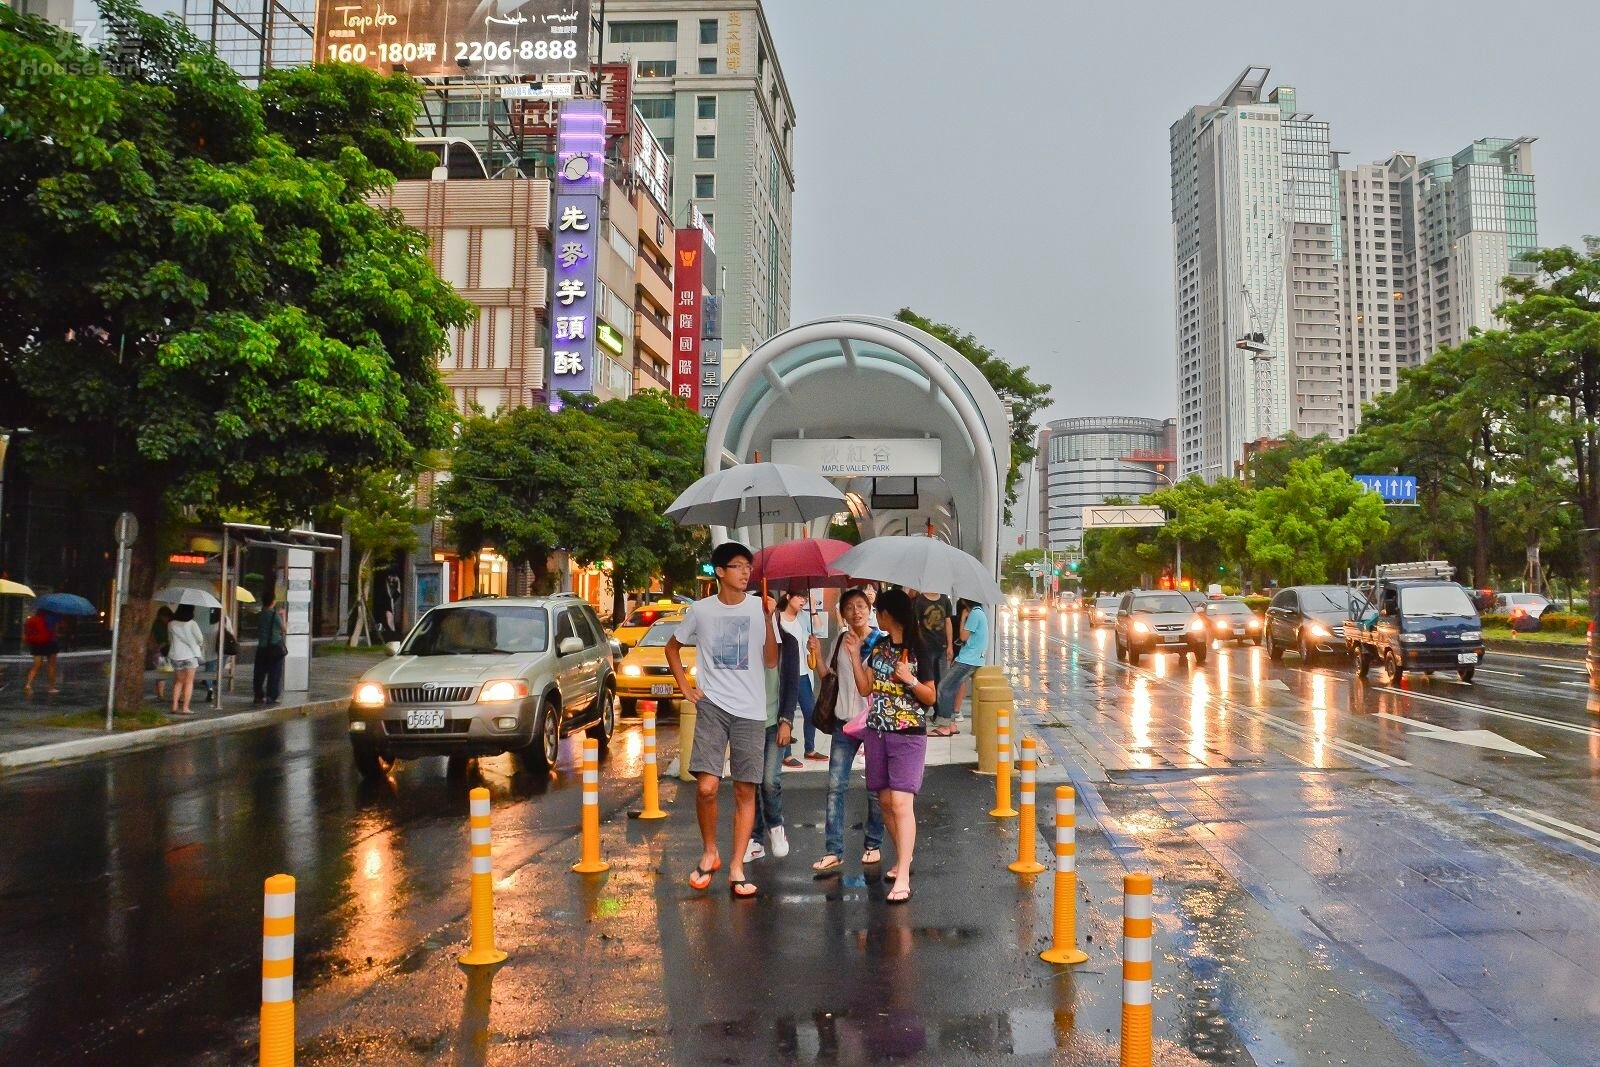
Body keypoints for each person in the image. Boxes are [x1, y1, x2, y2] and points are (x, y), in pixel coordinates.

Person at [666, 541, 779, 899]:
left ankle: (736, 867)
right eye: (738, 566)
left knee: (746, 789)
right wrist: (685, 685)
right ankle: (710, 852)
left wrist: (768, 619)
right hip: (713, 705)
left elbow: (772, 661)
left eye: (749, 566)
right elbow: (672, 647)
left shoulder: (758, 607)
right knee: (706, 787)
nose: (746, 572)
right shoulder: (701, 611)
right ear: (720, 572)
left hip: (750, 709)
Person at [846, 588, 936, 904]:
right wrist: (856, 656)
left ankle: (904, 877)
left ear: (886, 614)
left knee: (900, 802)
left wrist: (909, 680)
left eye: (876, 612)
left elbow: (930, 698)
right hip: (878, 733)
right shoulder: (881, 646)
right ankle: (903, 857)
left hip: (909, 733)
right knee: (884, 802)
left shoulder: (918, 649)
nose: (874, 617)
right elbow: (865, 686)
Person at [810, 586, 886, 875]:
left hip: (871, 722)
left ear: (869, 609)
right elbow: (828, 677)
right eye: (849, 607)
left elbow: (874, 685)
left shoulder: (880, 642)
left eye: (860, 605)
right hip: (843, 722)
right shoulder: (841, 639)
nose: (855, 611)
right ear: (842, 613)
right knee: (835, 786)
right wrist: (816, 654)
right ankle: (833, 850)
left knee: (874, 789)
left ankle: (873, 843)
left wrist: (857, 655)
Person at [750, 595, 796, 862]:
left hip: (774, 721)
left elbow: (790, 684)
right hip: (748, 722)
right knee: (750, 782)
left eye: (768, 610)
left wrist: (786, 721)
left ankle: (776, 827)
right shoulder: (748, 642)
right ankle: (755, 839)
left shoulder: (787, 643)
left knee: (770, 781)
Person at [778, 591, 824, 765]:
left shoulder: (803, 617)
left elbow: (819, 629)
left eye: (804, 598)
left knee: (811, 712)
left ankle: (810, 749)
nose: (802, 600)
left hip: (803, 672)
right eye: (799, 597)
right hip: (784, 673)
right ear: (789, 597)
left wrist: (813, 609)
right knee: (784, 713)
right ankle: (786, 754)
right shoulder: (778, 618)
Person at [931, 599, 987, 736]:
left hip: (968, 660)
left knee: (944, 687)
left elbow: (963, 636)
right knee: (950, 688)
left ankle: (944, 726)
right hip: (970, 658)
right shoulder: (980, 613)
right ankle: (951, 725)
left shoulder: (974, 614)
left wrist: (963, 618)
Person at [166, 604, 206, 715]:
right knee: (189, 682)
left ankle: (174, 706)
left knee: (178, 682)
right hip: (190, 656)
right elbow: (200, 639)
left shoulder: (171, 624)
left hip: (176, 656)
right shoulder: (192, 624)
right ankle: (185, 708)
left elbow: (170, 639)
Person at [914, 588, 955, 696]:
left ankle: (940, 710)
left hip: (942, 646)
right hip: (926, 647)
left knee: (942, 680)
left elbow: (948, 622)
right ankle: (927, 705)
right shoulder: (920, 600)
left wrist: (950, 646)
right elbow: (916, 623)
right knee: (927, 678)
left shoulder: (945, 599)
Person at [253, 595, 287, 705]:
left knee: (259, 673)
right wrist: (283, 616)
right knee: (274, 673)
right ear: (272, 602)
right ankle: (271, 696)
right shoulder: (275, 615)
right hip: (274, 648)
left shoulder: (260, 615)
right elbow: (284, 629)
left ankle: (258, 695)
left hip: (262, 647)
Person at [22, 608, 60, 695]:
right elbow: (55, 631)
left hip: (36, 644)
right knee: (51, 666)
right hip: (50, 643)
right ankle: (51, 687)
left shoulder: (33, 619)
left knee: (36, 666)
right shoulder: (53, 617)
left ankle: (28, 684)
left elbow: (27, 631)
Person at [150, 605, 174, 701]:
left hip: (164, 651)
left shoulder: (160, 624)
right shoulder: (159, 625)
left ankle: (160, 695)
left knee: (162, 673)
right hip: (161, 651)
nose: (166, 619)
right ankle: (160, 695)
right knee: (161, 673)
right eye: (165, 617)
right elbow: (156, 638)